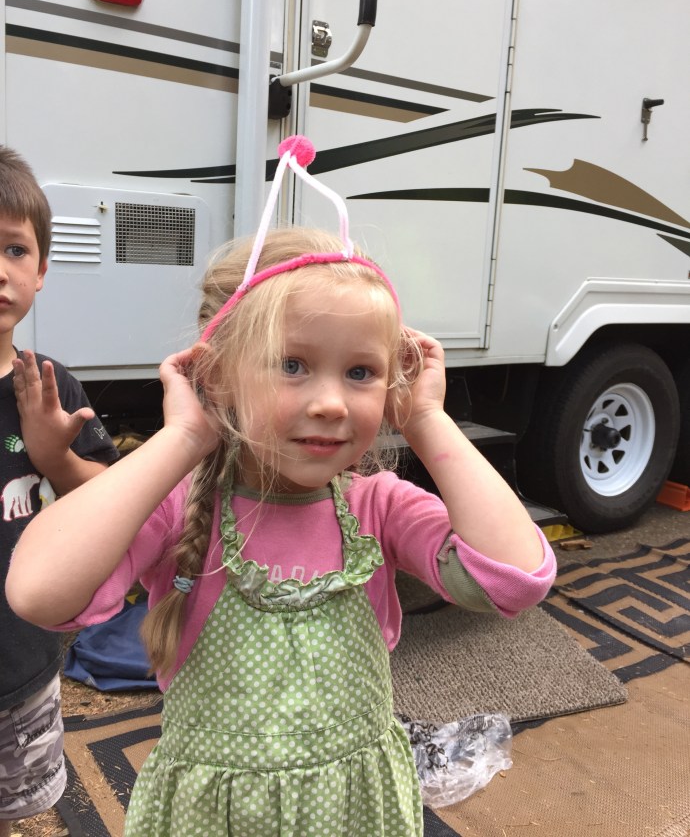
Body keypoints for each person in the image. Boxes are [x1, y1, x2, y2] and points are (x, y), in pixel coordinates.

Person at [7, 137, 556, 837]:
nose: (330, 402)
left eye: (361, 372)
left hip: (356, 814)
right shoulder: (179, 507)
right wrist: (184, 437)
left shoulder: (378, 506)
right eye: (292, 365)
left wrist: (425, 419)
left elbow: (516, 579)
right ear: (217, 376)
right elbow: (39, 592)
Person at [0, 145, 119, 836]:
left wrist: (55, 457)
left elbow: (107, 501)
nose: (0, 269)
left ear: (41, 271)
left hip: (20, 668)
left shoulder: (51, 386)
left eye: (15, 249)